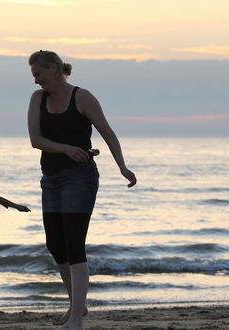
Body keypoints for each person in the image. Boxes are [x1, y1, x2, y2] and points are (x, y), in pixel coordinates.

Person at [27, 50, 136, 330]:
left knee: (74, 245)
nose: (36, 80)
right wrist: (65, 148)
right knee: (55, 245)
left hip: (80, 177)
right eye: (34, 75)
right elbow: (36, 140)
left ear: (53, 68)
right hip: (50, 177)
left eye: (38, 73)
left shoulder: (82, 97)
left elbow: (107, 133)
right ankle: (78, 305)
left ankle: (76, 319)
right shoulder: (38, 99)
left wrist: (122, 167)